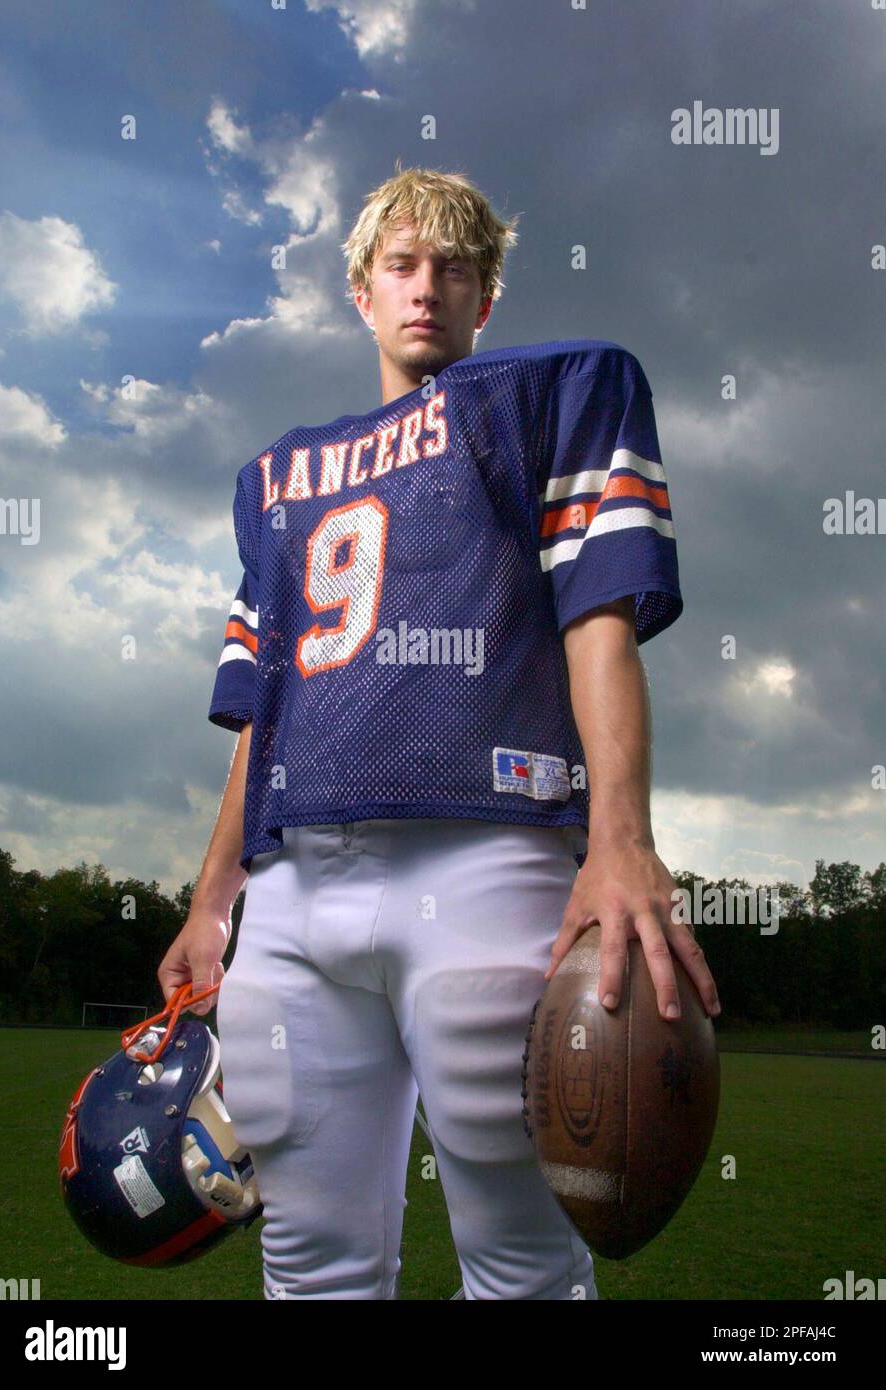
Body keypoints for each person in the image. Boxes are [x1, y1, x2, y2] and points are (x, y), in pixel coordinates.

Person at [158, 164, 721, 1301]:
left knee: (521, 1265)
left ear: (486, 296)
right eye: (401, 267)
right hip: (296, 885)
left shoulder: (555, 393)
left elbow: (597, 621)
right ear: (359, 292)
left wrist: (618, 839)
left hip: (486, 852)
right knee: (308, 1265)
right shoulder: (276, 477)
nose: (426, 289)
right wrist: (213, 894)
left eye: (453, 269)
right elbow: (263, 705)